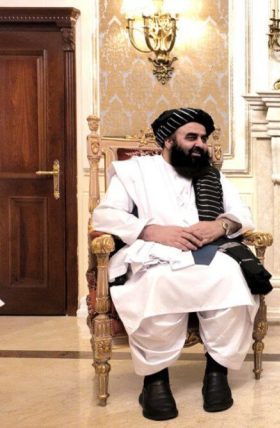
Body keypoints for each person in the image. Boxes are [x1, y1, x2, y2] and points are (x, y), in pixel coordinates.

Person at [92, 108, 258, 421]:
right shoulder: (136, 171)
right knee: (159, 284)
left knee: (231, 278)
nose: (200, 145)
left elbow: (243, 214)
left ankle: (217, 374)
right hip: (154, 253)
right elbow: (105, 215)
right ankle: (155, 381)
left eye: (204, 138)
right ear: (168, 140)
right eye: (191, 137)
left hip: (207, 253)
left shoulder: (211, 176)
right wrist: (151, 230)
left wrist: (220, 226)